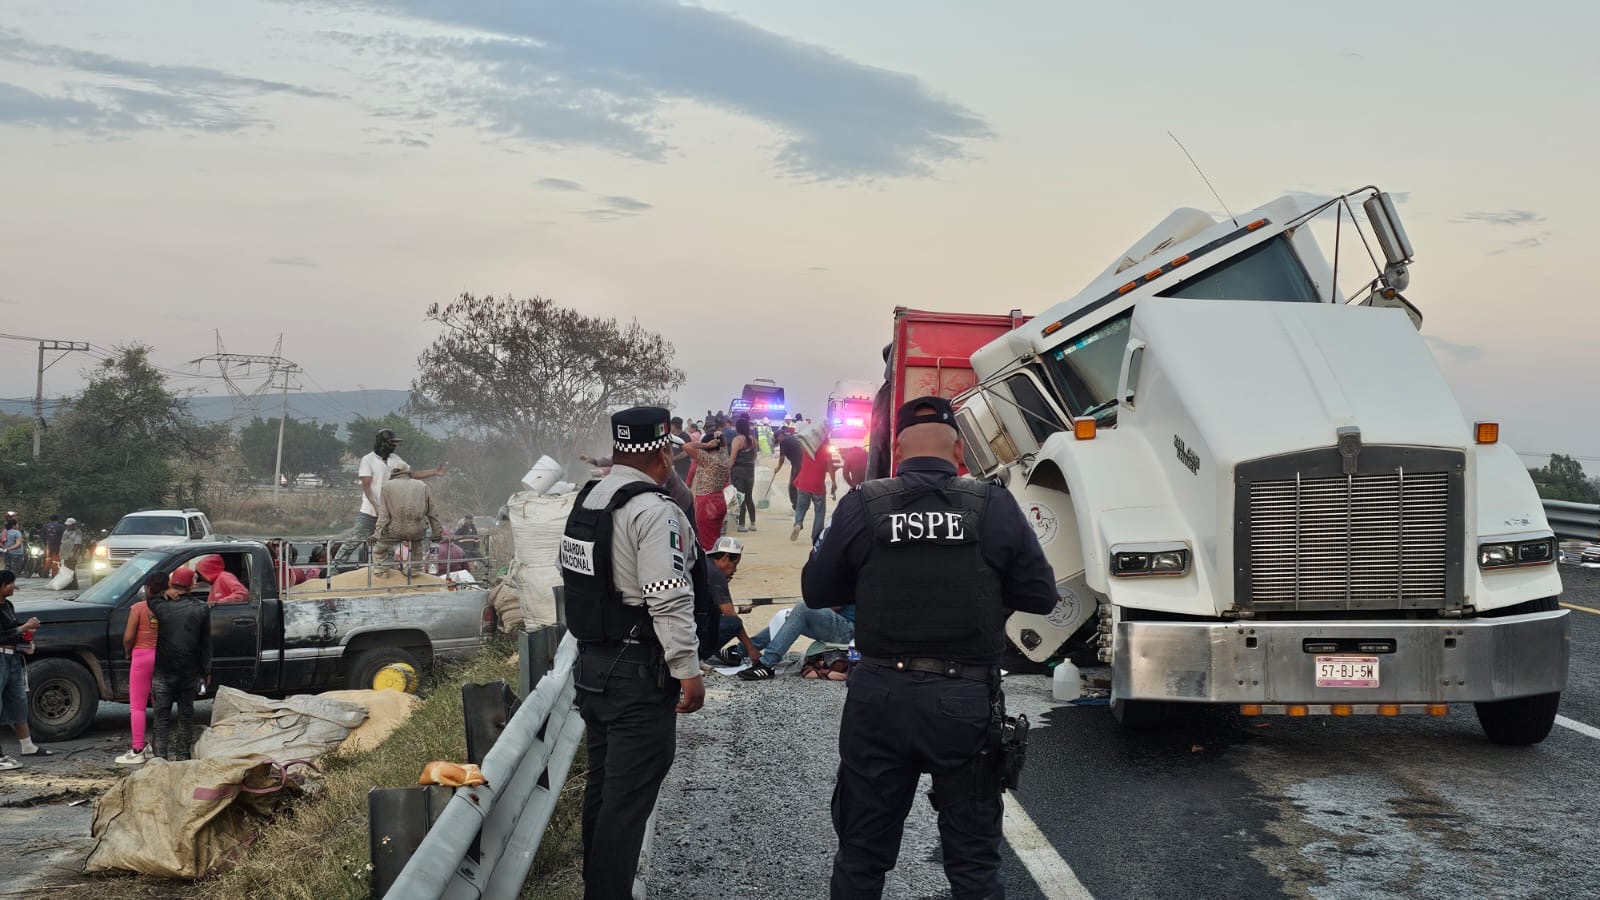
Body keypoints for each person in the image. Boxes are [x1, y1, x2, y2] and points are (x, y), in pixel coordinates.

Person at [802, 397, 1057, 898]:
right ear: (959, 450)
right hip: (964, 700)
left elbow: (816, 591)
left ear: (896, 449)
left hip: (879, 697)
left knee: (861, 856)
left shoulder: (864, 502)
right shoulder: (991, 503)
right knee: (974, 865)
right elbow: (1041, 594)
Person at [561, 406, 705, 899]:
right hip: (637, 675)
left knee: (604, 792)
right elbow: (667, 593)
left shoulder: (590, 498)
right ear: (664, 453)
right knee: (627, 803)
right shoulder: (653, 509)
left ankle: (597, 888)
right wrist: (688, 669)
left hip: (594, 667)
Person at [335, 428, 447, 566]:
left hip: (389, 513)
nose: (394, 446)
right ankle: (333, 568)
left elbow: (411, 474)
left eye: (395, 443)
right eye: (391, 442)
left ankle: (387, 572)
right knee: (354, 541)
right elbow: (366, 485)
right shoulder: (368, 460)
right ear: (382, 443)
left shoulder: (395, 459)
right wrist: (376, 506)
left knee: (387, 546)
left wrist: (434, 472)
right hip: (369, 512)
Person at [149, 567, 211, 761]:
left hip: (163, 672)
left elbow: (145, 596)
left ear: (171, 584)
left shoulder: (159, 605)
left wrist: (162, 592)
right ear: (191, 585)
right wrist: (206, 671)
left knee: (161, 717)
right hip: (188, 672)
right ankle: (183, 756)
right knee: (186, 715)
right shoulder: (201, 608)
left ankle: (159, 758)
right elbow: (205, 643)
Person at [0, 571, 48, 770]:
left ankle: (27, 745)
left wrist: (26, 641)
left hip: (13, 658)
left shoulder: (8, 606)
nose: (14, 587)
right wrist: (24, 627)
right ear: (2, 585)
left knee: (18, 700)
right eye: (11, 584)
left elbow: (12, 629)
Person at [115, 573, 162, 765]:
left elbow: (128, 637)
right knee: (161, 703)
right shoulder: (168, 608)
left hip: (142, 656)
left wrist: (128, 652)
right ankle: (156, 747)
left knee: (138, 705)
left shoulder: (139, 608)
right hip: (162, 657)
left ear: (148, 589)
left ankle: (137, 749)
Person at [374, 462, 443, 578]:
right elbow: (432, 513)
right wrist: (437, 533)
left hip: (395, 529)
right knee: (416, 546)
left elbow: (384, 515)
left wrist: (377, 534)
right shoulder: (422, 485)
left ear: (394, 473)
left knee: (380, 547)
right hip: (417, 530)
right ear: (408, 472)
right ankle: (414, 570)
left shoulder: (387, 486)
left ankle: (382, 571)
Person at [700, 537, 759, 664]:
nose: (735, 569)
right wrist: (751, 649)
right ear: (725, 557)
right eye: (735, 564)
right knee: (734, 623)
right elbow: (730, 613)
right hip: (694, 627)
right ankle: (699, 656)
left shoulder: (705, 563)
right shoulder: (716, 575)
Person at [684, 419, 731, 552]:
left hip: (706, 503)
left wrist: (706, 445)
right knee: (715, 539)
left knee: (707, 544)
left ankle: (712, 570)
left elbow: (687, 446)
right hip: (719, 501)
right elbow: (724, 445)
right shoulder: (724, 457)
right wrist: (719, 439)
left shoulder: (707, 459)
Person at [790, 424, 837, 546]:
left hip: (803, 482)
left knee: (801, 507)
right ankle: (816, 536)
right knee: (819, 511)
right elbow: (830, 467)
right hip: (817, 485)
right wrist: (833, 481)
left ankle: (798, 524)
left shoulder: (807, 447)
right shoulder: (826, 449)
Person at [728, 414, 758, 532]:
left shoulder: (737, 440)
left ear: (738, 428)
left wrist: (729, 469)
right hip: (750, 471)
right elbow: (754, 456)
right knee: (749, 497)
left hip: (738, 471)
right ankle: (753, 523)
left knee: (740, 497)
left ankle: (741, 524)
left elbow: (733, 457)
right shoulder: (753, 440)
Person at [775, 427, 806, 509]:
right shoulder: (792, 437)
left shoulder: (784, 441)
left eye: (777, 439)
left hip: (798, 464)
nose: (778, 441)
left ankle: (796, 505)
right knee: (800, 485)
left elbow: (782, 458)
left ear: (781, 435)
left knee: (792, 485)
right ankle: (800, 503)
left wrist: (778, 468)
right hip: (804, 463)